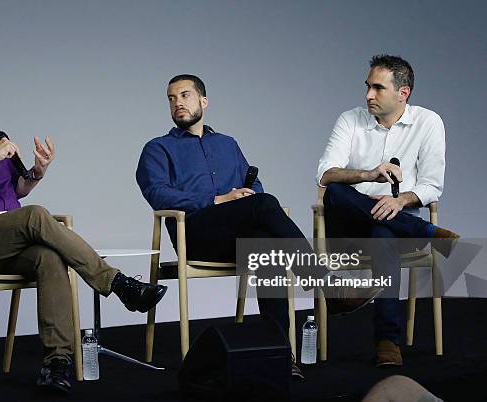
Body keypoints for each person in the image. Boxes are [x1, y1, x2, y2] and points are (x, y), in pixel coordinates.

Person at [0, 75, 167, 394]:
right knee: (36, 214)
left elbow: (16, 190)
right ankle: (118, 283)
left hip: (8, 235)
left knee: (48, 256)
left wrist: (37, 172)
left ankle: (55, 364)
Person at [136, 74, 382, 379]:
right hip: (196, 234)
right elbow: (157, 193)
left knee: (269, 248)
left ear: (203, 101)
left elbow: (255, 188)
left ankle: (280, 356)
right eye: (171, 98)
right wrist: (219, 199)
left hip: (236, 235)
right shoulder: (158, 148)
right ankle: (328, 286)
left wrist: (245, 195)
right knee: (265, 204)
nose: (178, 104)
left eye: (185, 95)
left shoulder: (227, 144)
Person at [317, 55, 458, 367]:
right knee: (337, 192)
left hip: (394, 223)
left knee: (384, 232)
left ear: (402, 93)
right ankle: (425, 232)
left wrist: (400, 200)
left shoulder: (428, 122)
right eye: (367, 87)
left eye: (377, 88)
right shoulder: (349, 119)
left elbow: (432, 186)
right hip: (350, 224)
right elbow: (325, 174)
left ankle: (387, 341)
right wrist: (368, 175)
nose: (368, 95)